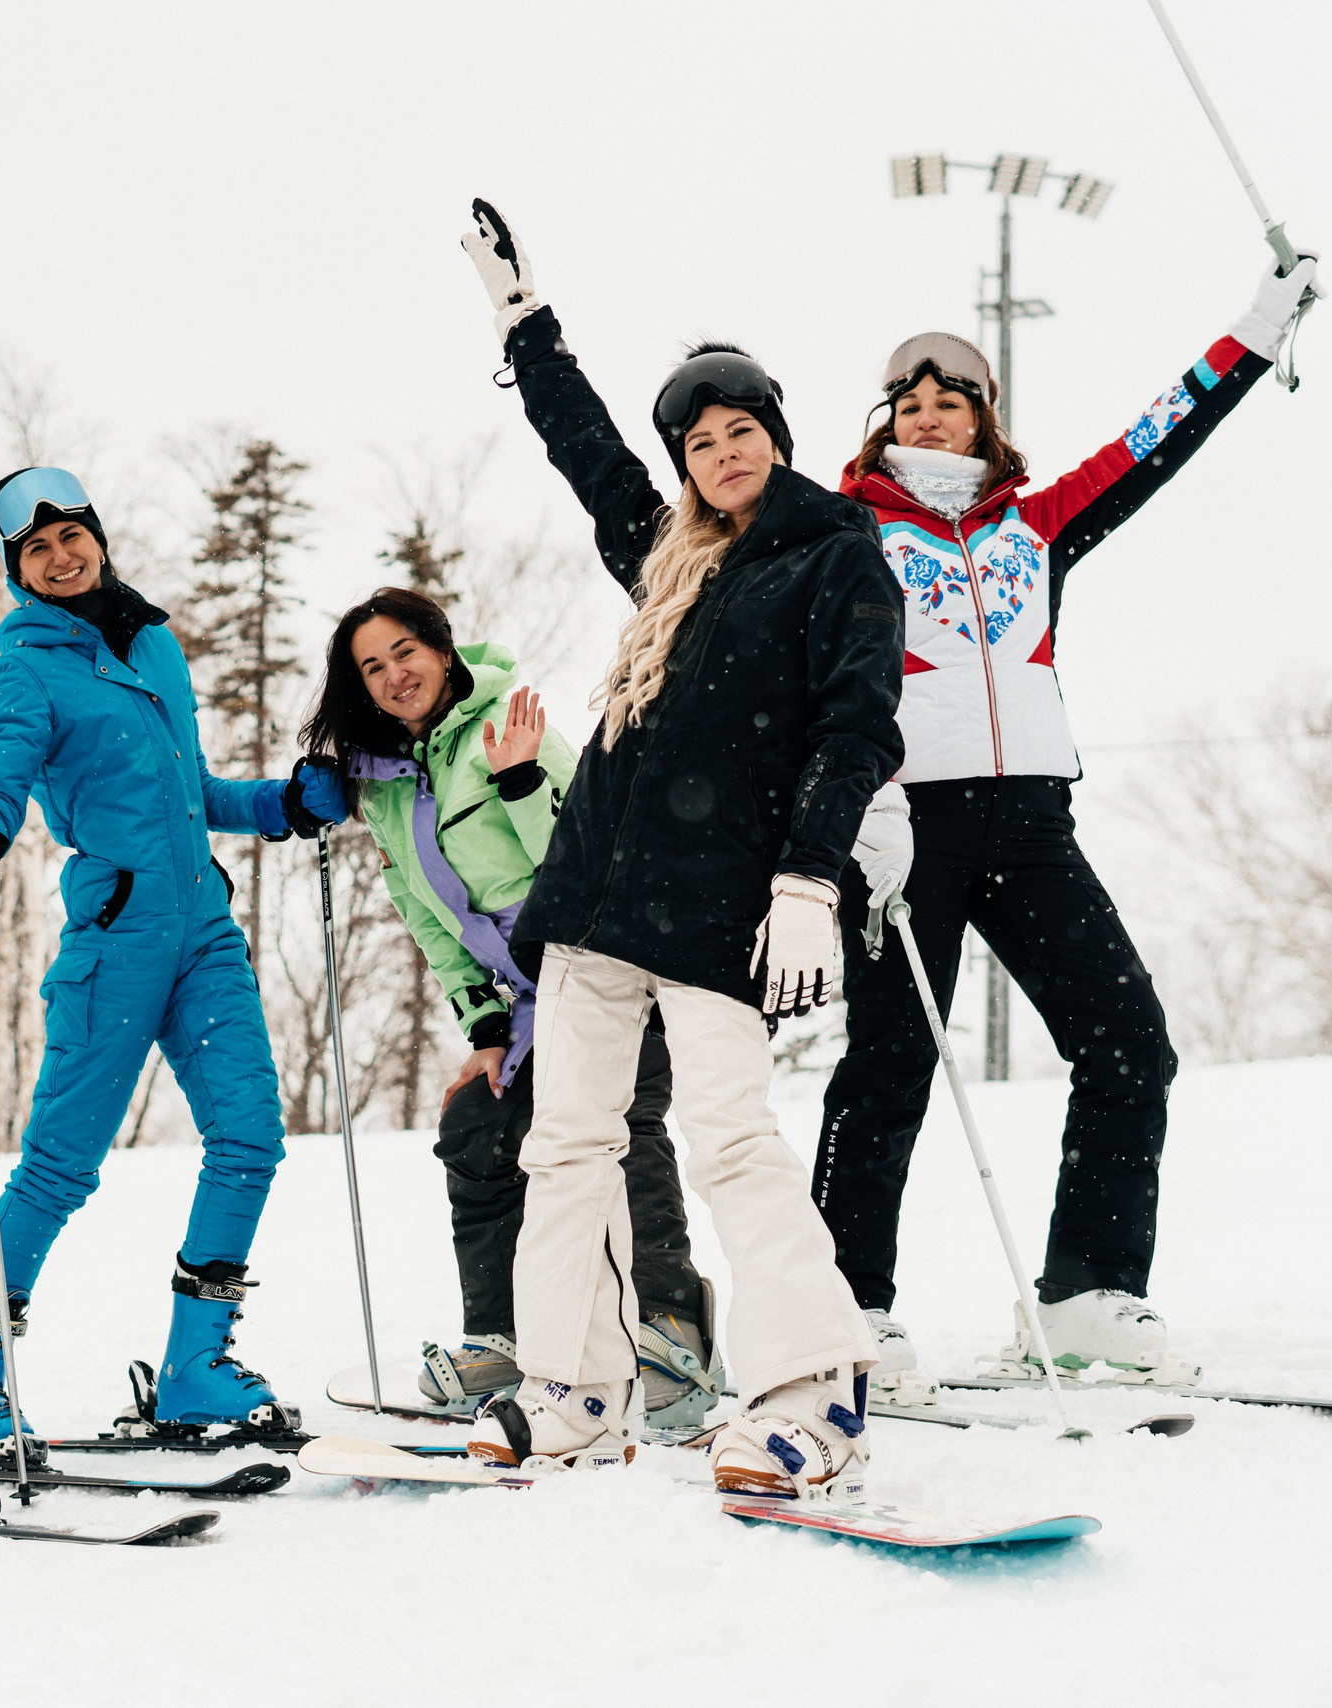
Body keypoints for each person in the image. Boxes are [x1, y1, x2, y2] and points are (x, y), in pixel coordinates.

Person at [452, 200, 910, 1497]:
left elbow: (855, 725)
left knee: (729, 1142)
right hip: (598, 895)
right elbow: (590, 456)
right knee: (567, 1143)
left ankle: (814, 1391)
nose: (720, 453)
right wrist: (527, 327)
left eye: (740, 430)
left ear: (776, 437)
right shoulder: (668, 560)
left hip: (721, 902)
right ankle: (577, 1386)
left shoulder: (832, 558)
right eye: (699, 441)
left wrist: (811, 877)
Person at [813, 258, 1325, 1383]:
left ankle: (1088, 1294)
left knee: (1129, 1040)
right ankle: (842, 1311)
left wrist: (1257, 325)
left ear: (985, 417)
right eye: (909, 399)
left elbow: (1158, 436)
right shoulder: (838, 529)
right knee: (890, 1066)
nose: (930, 411)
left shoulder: (1034, 525)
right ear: (884, 422)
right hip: (903, 829)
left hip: (1031, 824)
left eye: (952, 397)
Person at [0, 467, 348, 1450]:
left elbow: (189, 792)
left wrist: (282, 805)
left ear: (97, 538)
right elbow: (5, 779)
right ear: (17, 571)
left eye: (72, 536)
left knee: (250, 1140)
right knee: (62, 1164)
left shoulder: (154, 645)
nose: (61, 556)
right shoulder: (25, 667)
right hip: (115, 940)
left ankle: (195, 1369)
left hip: (202, 933)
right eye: (36, 549)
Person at [300, 587, 722, 1427]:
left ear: (443, 650)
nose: (394, 676)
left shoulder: (509, 725)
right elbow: (427, 913)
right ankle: (507, 1337)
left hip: (610, 962)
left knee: (620, 1126)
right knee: (479, 1131)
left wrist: (522, 778)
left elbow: (591, 858)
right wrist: (485, 1026)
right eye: (372, 667)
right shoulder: (385, 786)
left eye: (405, 653)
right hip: (528, 998)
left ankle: (672, 1327)